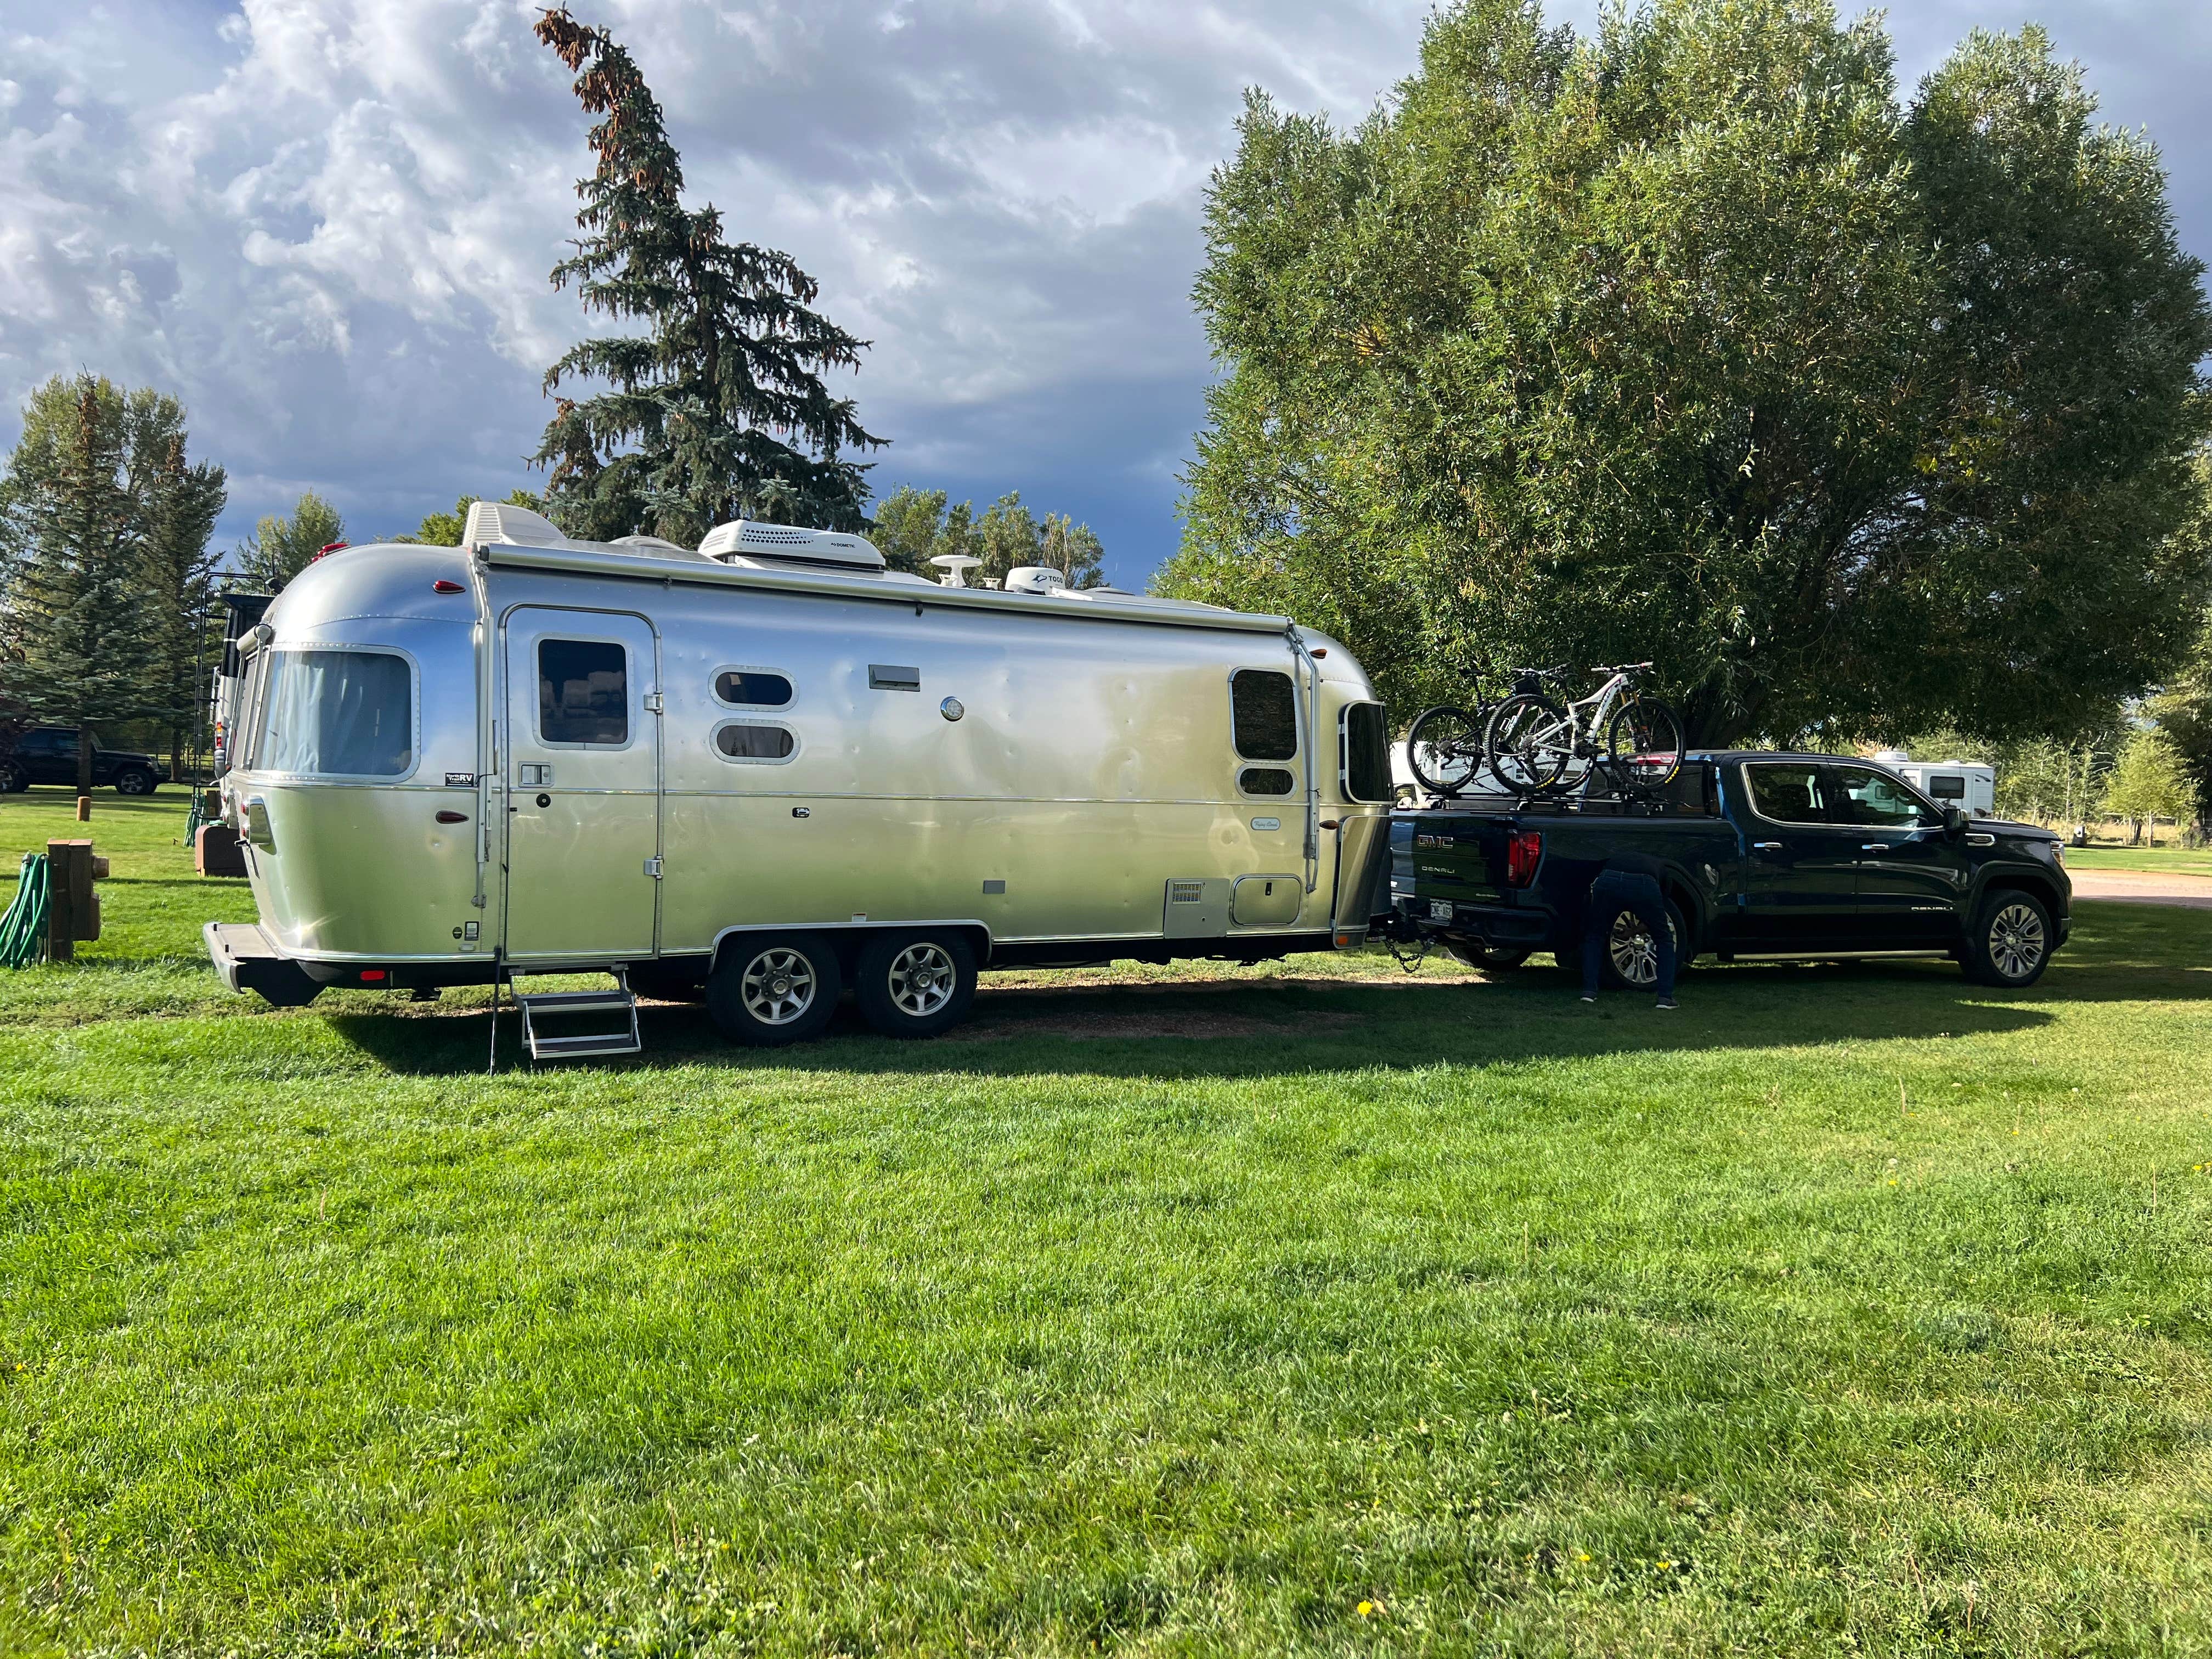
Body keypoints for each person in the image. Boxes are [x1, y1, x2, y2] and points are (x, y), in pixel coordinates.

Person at [1580, 850, 1677, 1008]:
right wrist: (1637, 930)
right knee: (1664, 939)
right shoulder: (1663, 871)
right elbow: (1657, 921)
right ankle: (1665, 998)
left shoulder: (1621, 857)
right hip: (1644, 884)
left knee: (1595, 936)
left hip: (1608, 879)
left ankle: (1589, 992)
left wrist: (1632, 931)